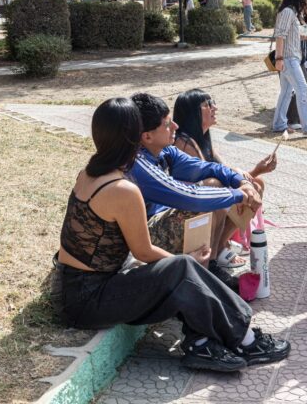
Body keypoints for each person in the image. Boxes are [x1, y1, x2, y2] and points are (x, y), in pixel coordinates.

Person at [51, 97, 290, 372]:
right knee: (182, 268)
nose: (174, 126)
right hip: (88, 300)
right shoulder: (122, 188)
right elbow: (143, 252)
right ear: (134, 137)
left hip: (76, 289)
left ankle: (201, 343)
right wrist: (187, 264)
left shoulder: (90, 172)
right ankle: (247, 341)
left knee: (182, 270)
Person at [127, 93, 263, 289]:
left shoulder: (165, 151)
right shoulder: (139, 163)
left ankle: (210, 266)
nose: (175, 126)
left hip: (163, 222)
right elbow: (190, 197)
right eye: (168, 124)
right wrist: (238, 195)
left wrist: (242, 182)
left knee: (217, 186)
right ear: (147, 136)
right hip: (145, 237)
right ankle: (201, 278)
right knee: (209, 195)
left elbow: (211, 168)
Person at [172, 89, 278, 266]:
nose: (215, 107)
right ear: (192, 113)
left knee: (256, 184)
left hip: (206, 200)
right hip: (187, 208)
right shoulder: (184, 143)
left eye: (213, 102)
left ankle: (221, 244)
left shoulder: (203, 139)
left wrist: (258, 171)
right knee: (215, 186)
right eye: (207, 104)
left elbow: (227, 173)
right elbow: (212, 180)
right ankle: (217, 251)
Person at [272, 0, 307, 135]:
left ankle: (279, 124)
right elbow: (280, 36)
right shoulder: (288, 12)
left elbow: (292, 36)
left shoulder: (292, 12)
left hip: (290, 58)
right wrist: (279, 58)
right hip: (288, 58)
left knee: (287, 92)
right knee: (302, 89)